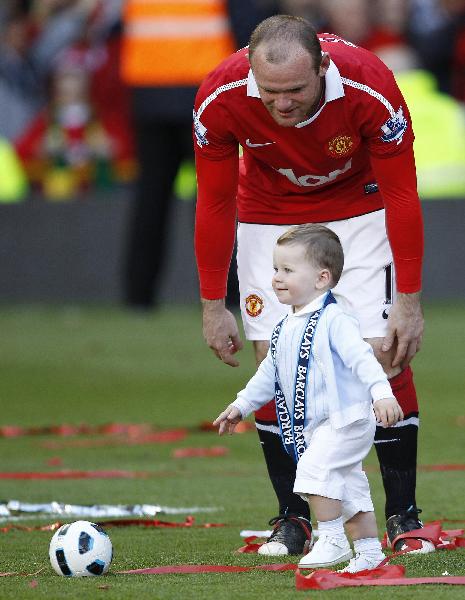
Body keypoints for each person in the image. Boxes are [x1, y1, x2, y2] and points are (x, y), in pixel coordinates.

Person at [194, 14, 430, 556]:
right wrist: (213, 304)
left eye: (296, 90)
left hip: (361, 202)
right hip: (268, 211)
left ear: (323, 67)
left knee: (385, 355)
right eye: (269, 92)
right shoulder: (220, 97)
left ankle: (403, 516)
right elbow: (214, 202)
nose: (281, 104)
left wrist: (409, 300)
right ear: (251, 72)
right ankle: (294, 518)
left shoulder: (372, 87)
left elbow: (402, 196)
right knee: (275, 361)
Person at [214, 224, 403, 572]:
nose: (276, 278)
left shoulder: (336, 319)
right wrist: (241, 405)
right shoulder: (286, 324)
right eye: (275, 269)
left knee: (315, 471)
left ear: (321, 278)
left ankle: (331, 539)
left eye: (287, 270)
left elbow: (363, 359)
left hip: (345, 420)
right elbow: (268, 373)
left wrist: (381, 393)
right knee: (348, 488)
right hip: (319, 426)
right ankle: (368, 553)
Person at [120, 0, 272, 309]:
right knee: (217, 195)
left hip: (149, 93)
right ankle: (230, 293)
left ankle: (138, 295)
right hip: (206, 92)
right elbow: (248, 32)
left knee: (151, 199)